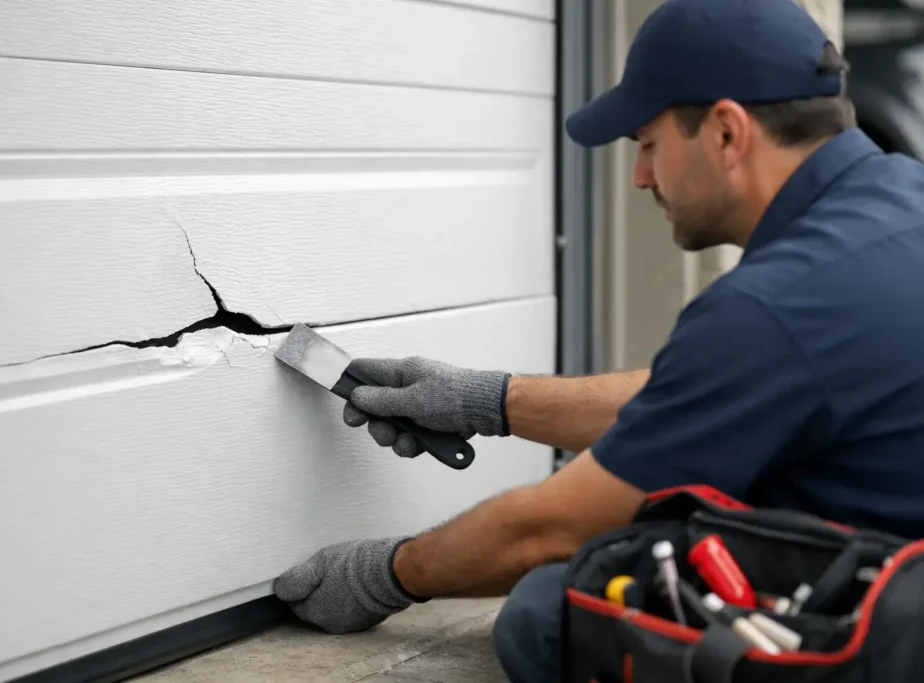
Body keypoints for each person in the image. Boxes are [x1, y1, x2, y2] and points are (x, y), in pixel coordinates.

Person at [273, 0, 924, 680]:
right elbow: (704, 397)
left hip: (904, 628)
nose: (642, 176)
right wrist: (488, 401)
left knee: (553, 611)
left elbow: (548, 529)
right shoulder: (900, 201)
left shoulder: (774, 305)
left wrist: (389, 573)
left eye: (648, 144)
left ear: (728, 132)